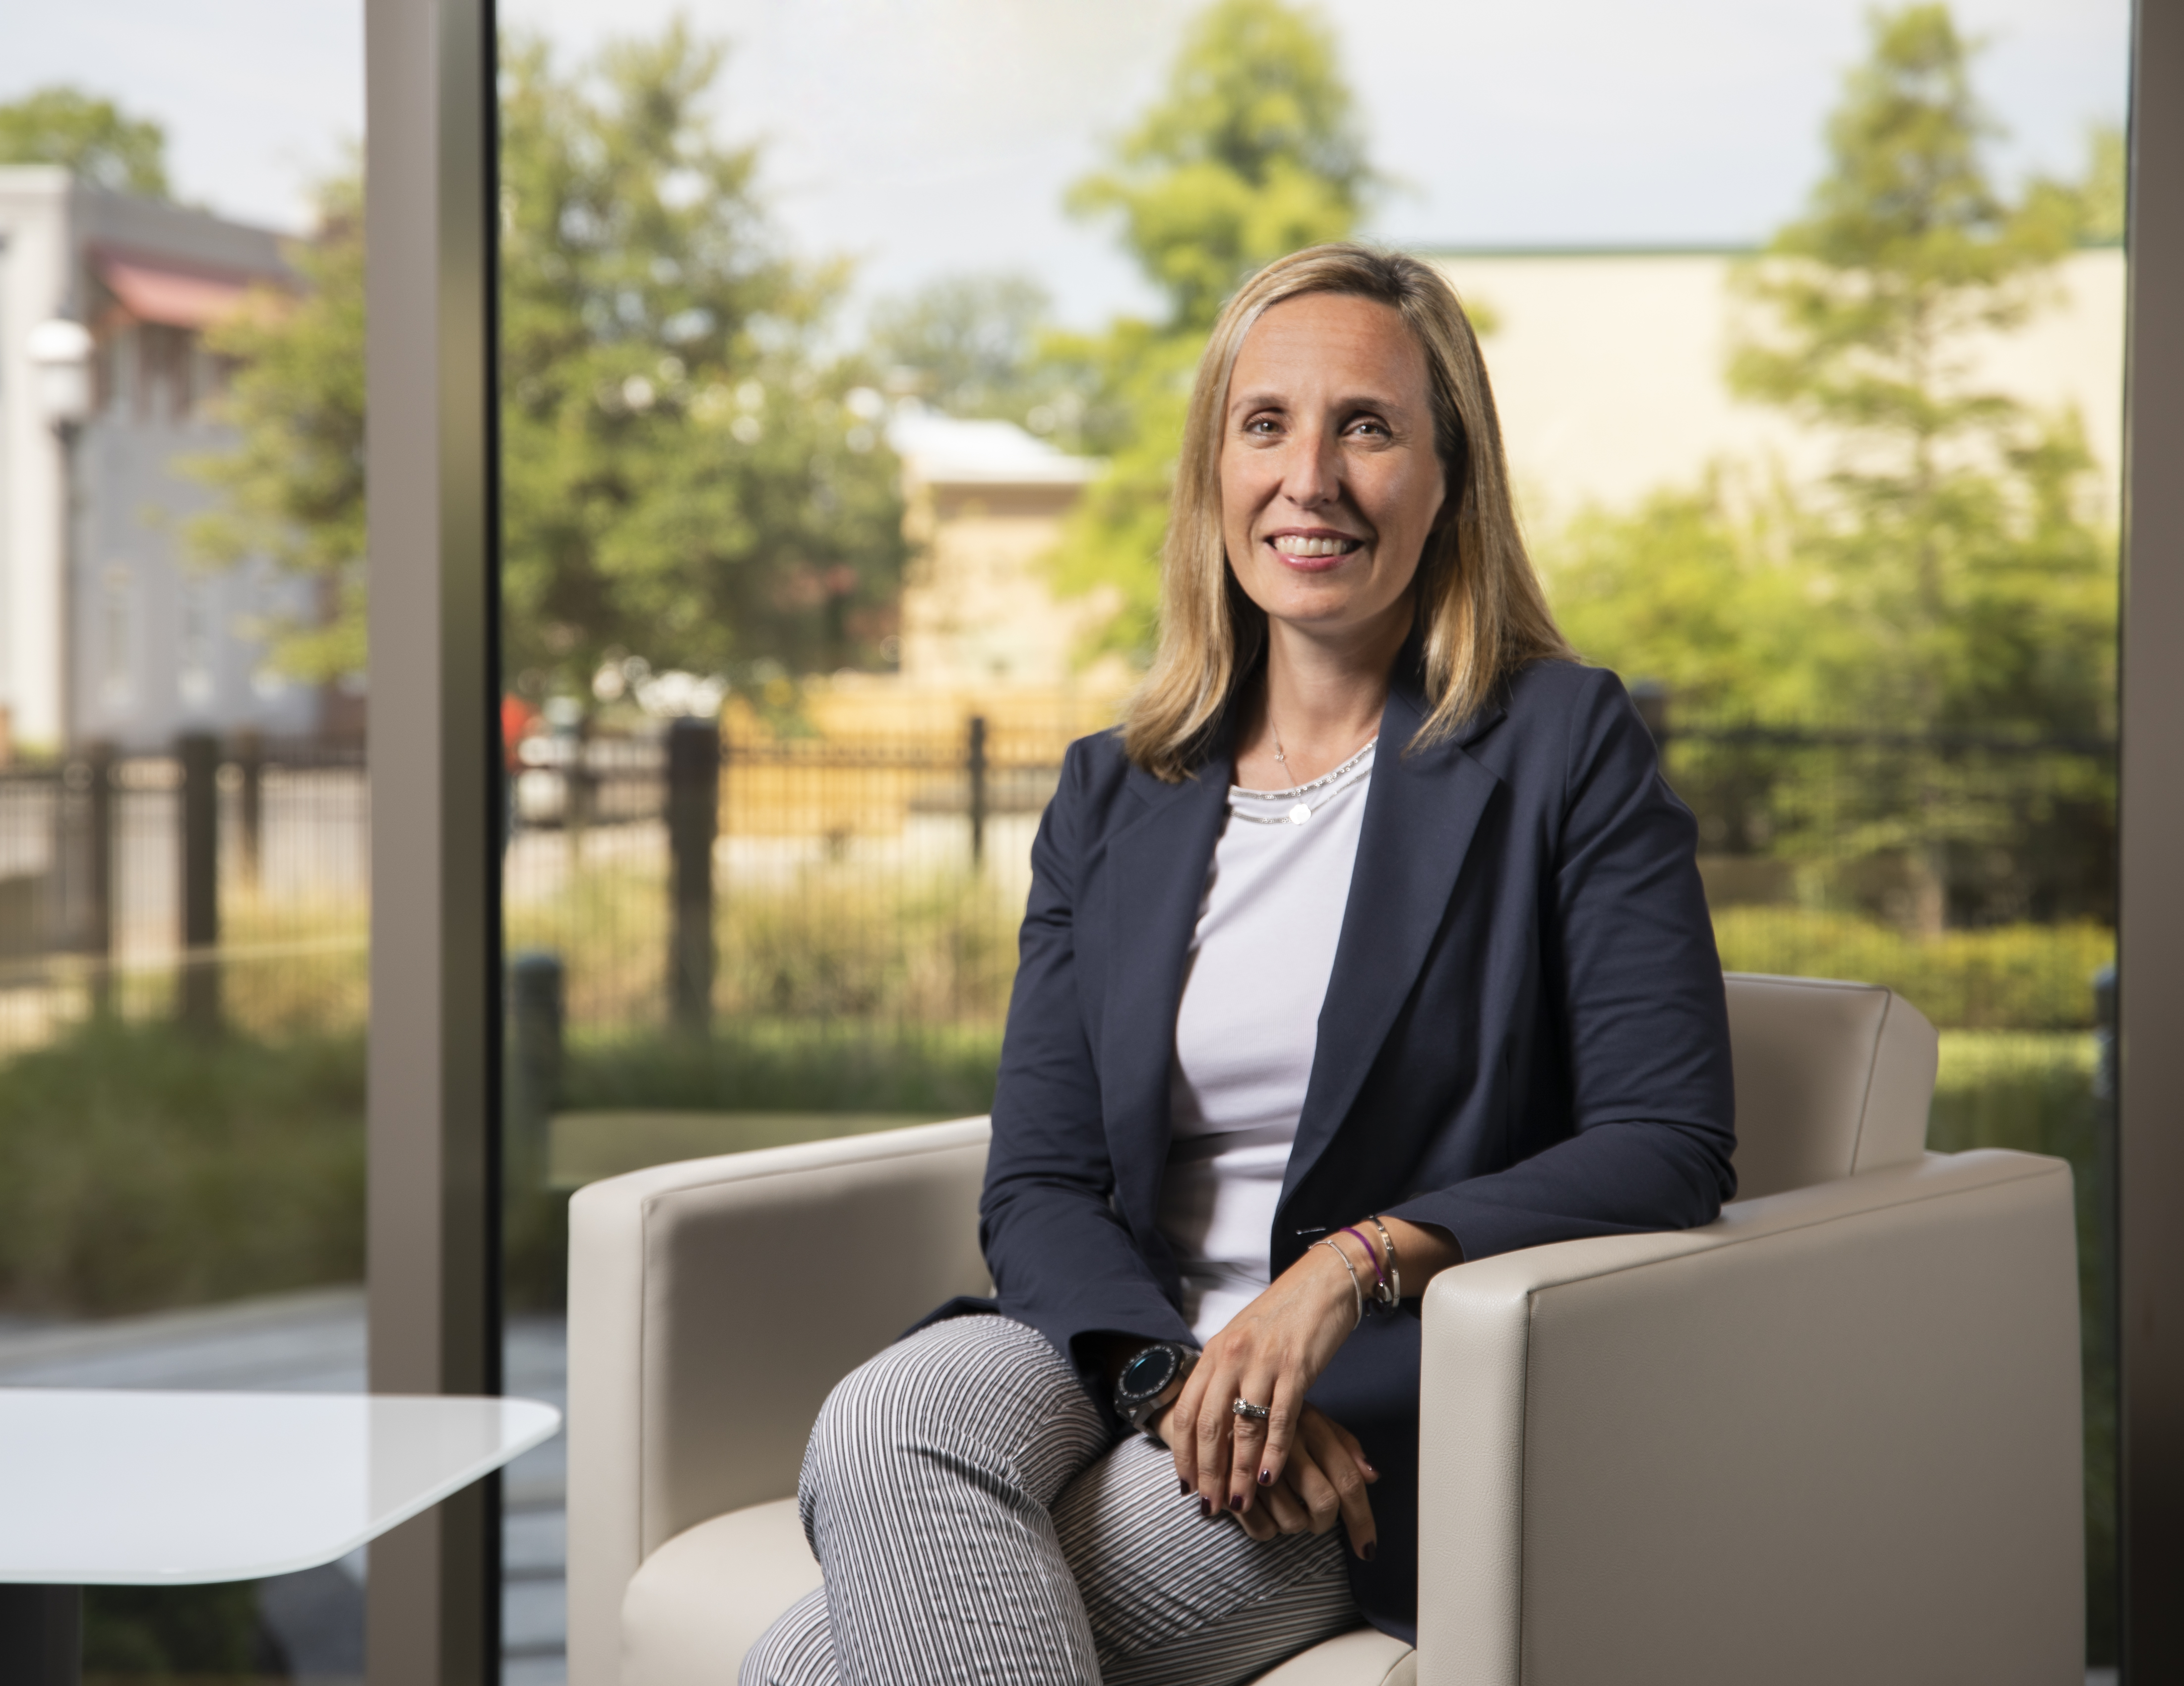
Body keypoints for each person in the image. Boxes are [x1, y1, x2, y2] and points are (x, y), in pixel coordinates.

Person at [742, 243, 1737, 1686]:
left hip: (1371, 1405)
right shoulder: (1111, 790)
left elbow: (1668, 1141)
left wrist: (1350, 1267)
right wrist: (1167, 1378)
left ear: (1448, 478)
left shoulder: (1564, 747)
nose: (1308, 479)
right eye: (1265, 425)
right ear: (1214, 471)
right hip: (1119, 1346)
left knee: (800, 1672)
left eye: (1367, 428)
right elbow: (1041, 1182)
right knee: (885, 1422)